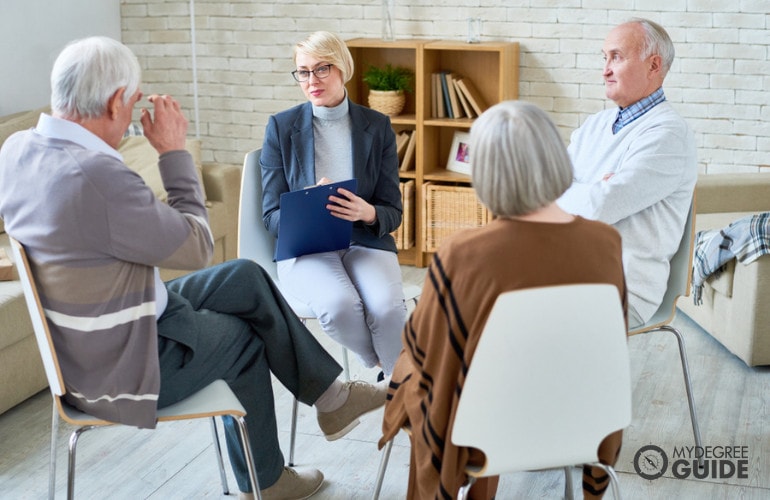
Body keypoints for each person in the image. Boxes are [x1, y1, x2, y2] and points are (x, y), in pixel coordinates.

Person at [0, 36, 387, 500]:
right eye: (133, 100)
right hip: (125, 367)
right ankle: (266, 481)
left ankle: (332, 400)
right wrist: (172, 152)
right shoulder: (100, 178)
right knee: (246, 338)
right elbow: (197, 247)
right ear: (115, 101)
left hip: (96, 338)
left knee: (244, 275)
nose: (133, 115)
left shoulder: (17, 149)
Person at [380, 101, 628, 500]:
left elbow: (428, 349)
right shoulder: (606, 243)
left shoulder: (463, 254)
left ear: (486, 175)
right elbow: (610, 348)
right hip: (578, 421)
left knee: (413, 364)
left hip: (480, 433)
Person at [260, 31, 407, 380]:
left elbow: (393, 211)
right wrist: (306, 206)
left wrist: (367, 212)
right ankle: (391, 368)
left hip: (365, 240)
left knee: (386, 310)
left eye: (322, 69)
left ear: (343, 68)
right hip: (306, 246)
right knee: (340, 307)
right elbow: (270, 215)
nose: (312, 80)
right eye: (303, 71)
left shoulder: (378, 126)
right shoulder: (281, 128)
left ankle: (404, 390)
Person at [557, 17, 697, 328]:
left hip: (619, 290)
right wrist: (593, 188)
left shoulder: (668, 135)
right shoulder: (594, 125)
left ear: (653, 65)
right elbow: (546, 188)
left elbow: (598, 207)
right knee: (470, 292)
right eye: (604, 57)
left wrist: (580, 190)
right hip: (564, 271)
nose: (605, 69)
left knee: (500, 319)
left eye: (616, 57)